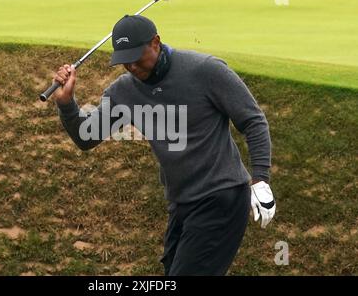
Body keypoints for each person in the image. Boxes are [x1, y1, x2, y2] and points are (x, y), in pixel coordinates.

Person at [51, 15, 276, 275]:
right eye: (124, 61)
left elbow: (253, 120)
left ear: (156, 42)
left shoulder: (205, 70)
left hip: (221, 197)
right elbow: (86, 137)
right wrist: (66, 102)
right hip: (181, 204)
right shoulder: (125, 91)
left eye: (137, 57)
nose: (132, 66)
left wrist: (261, 180)